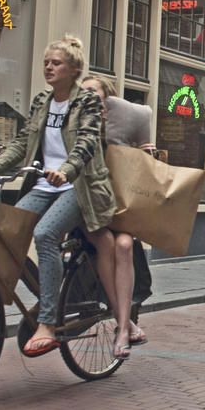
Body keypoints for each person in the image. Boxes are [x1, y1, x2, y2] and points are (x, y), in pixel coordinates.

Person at [0, 36, 117, 358]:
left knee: (45, 234)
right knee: (5, 232)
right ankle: (48, 292)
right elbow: (22, 142)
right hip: (44, 184)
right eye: (46, 63)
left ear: (74, 69)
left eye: (56, 63)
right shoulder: (42, 100)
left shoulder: (87, 101)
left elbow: (87, 142)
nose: (48, 68)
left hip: (78, 186)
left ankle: (47, 323)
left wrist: (67, 170)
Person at [80, 74, 152, 358]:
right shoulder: (79, 127)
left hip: (119, 206)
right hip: (90, 206)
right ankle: (125, 325)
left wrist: (147, 155)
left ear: (107, 100)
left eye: (94, 92)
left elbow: (141, 171)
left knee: (124, 245)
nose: (88, 97)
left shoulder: (122, 129)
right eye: (83, 92)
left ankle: (123, 325)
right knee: (107, 243)